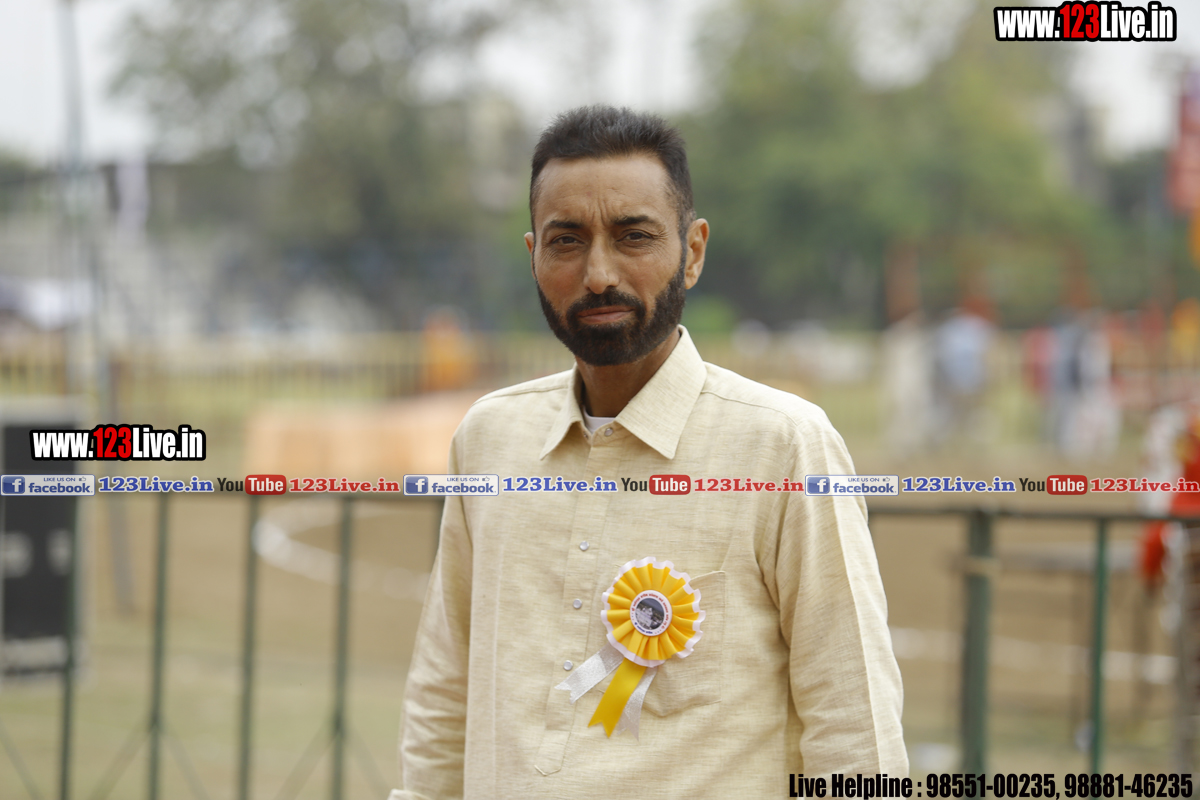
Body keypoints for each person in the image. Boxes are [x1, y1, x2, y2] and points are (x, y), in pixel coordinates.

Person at [391, 106, 906, 799]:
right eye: (567, 241)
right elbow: (444, 693)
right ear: (534, 256)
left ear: (693, 252)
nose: (599, 274)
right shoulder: (490, 438)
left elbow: (855, 726)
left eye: (633, 237)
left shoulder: (783, 446)